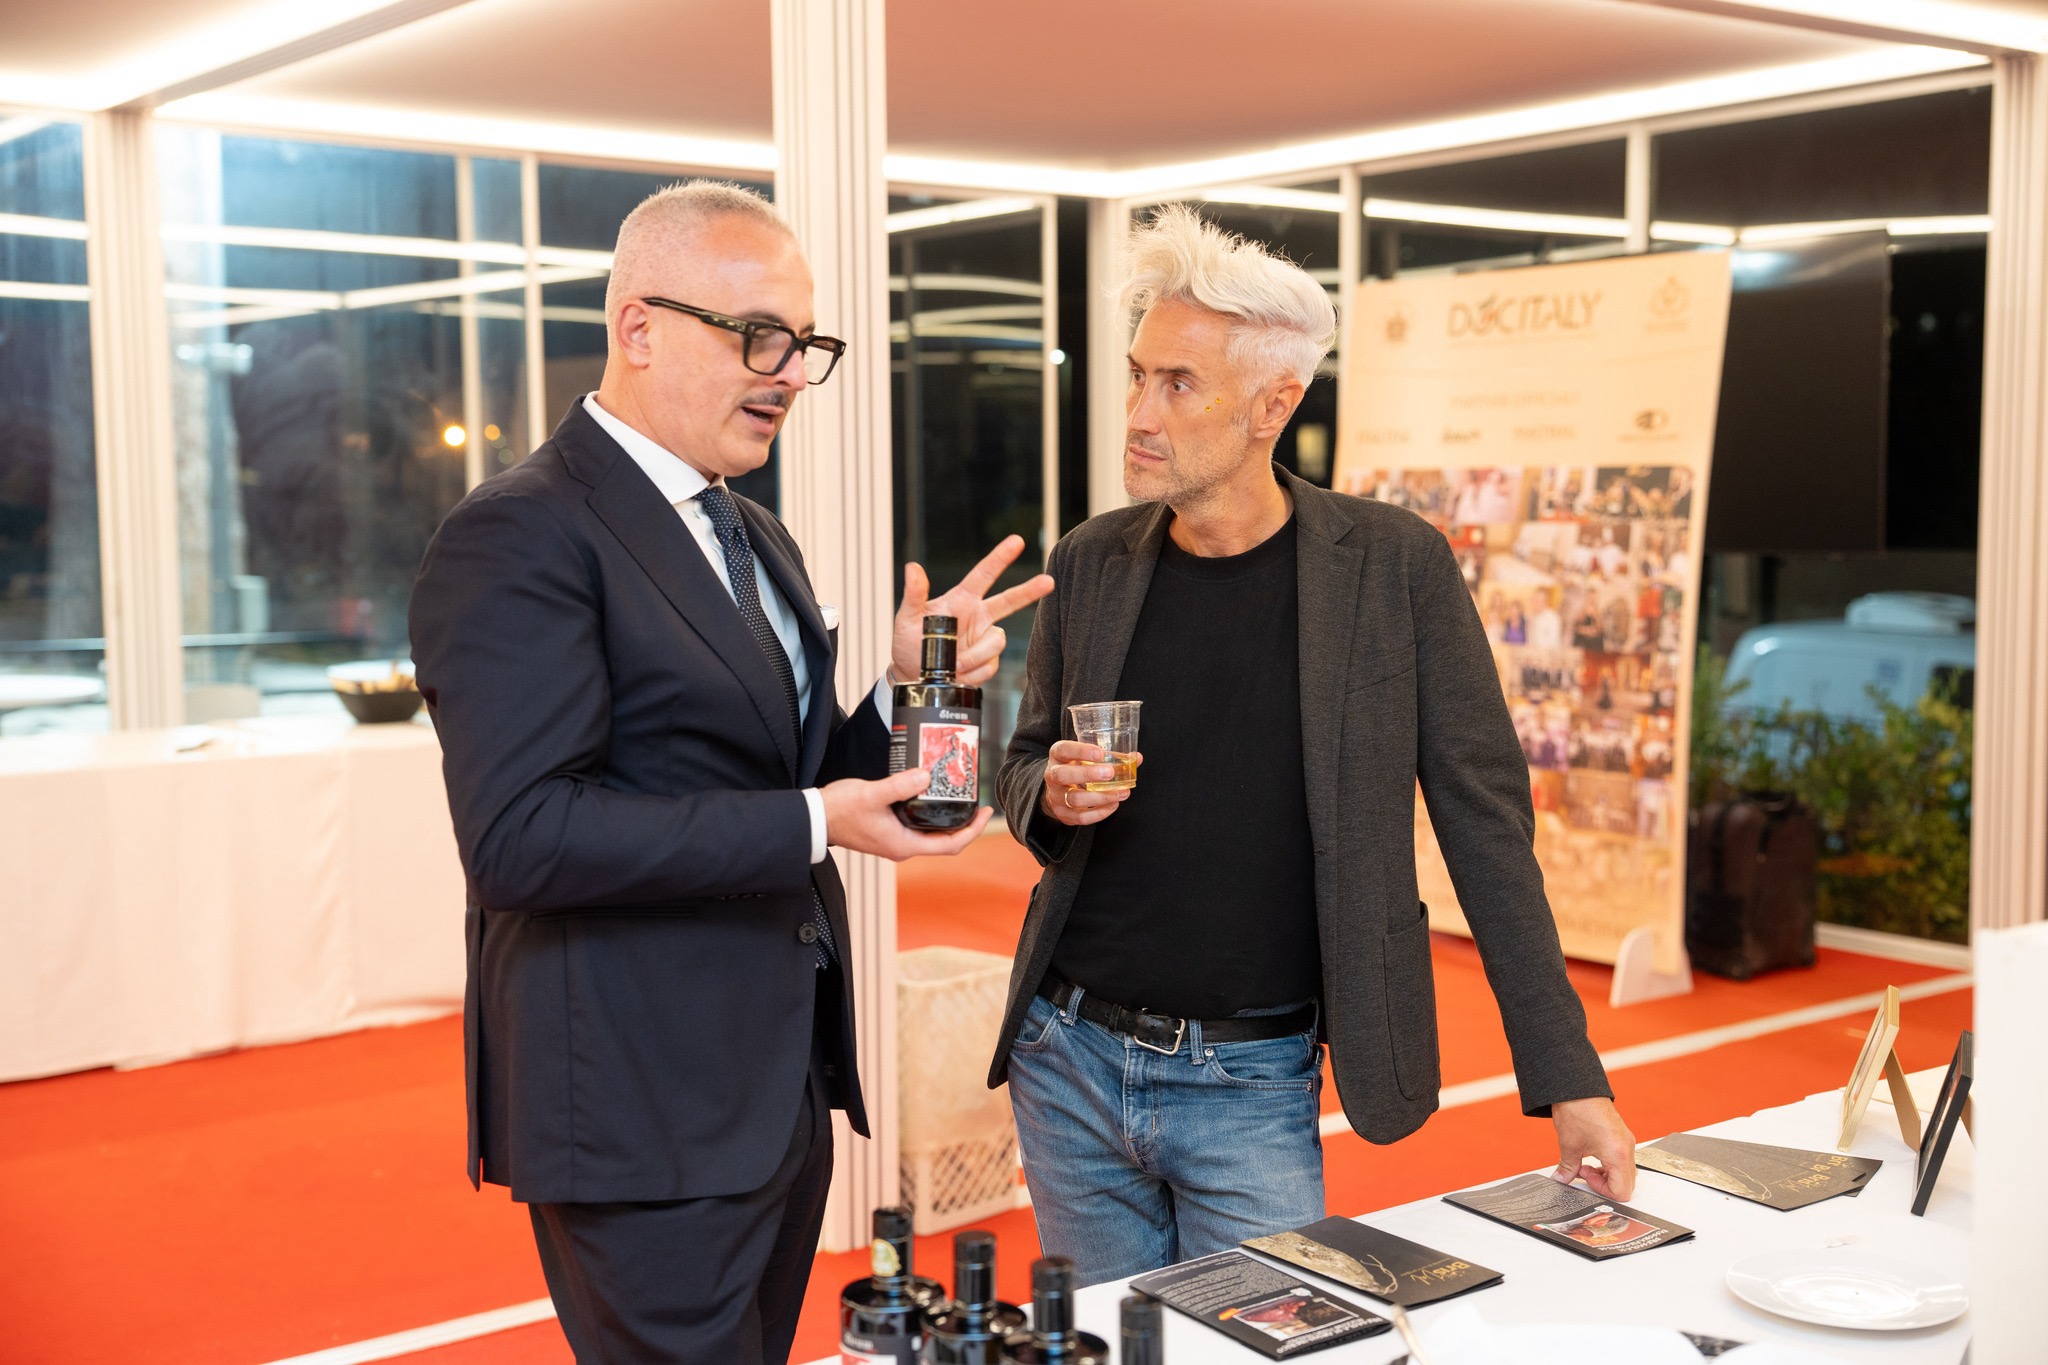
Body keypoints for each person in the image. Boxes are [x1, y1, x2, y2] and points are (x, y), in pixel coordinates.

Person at [409, 181, 1051, 1363]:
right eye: (757, 336)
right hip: (637, 1102)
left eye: (804, 344)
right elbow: (521, 839)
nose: (789, 373)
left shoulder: (752, 532)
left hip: (772, 1090)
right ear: (637, 328)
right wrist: (812, 819)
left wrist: (906, 686)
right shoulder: (517, 533)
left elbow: (794, 774)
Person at [989, 205, 1634, 1285]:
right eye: (1138, 375)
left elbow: (1485, 826)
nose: (1139, 414)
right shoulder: (1091, 561)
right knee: (1110, 1346)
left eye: (1178, 385)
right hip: (1067, 1056)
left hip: (1250, 1078)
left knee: (1262, 1341)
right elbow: (1023, 763)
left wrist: (1569, 1076)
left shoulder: (1393, 569)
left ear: (1272, 406)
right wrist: (1046, 793)